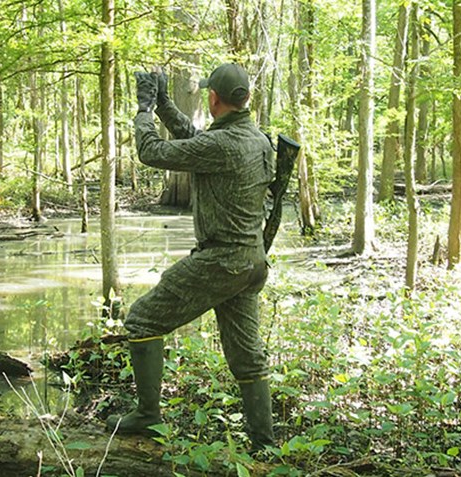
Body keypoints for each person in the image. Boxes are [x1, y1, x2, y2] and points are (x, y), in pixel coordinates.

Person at [105, 63, 276, 452]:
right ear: (244, 98)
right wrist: (164, 102)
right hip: (251, 263)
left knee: (143, 319)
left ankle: (148, 415)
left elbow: (152, 152)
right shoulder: (254, 139)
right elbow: (195, 141)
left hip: (221, 262)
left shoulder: (223, 145)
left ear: (213, 98)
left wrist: (144, 111)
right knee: (248, 359)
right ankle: (264, 447)